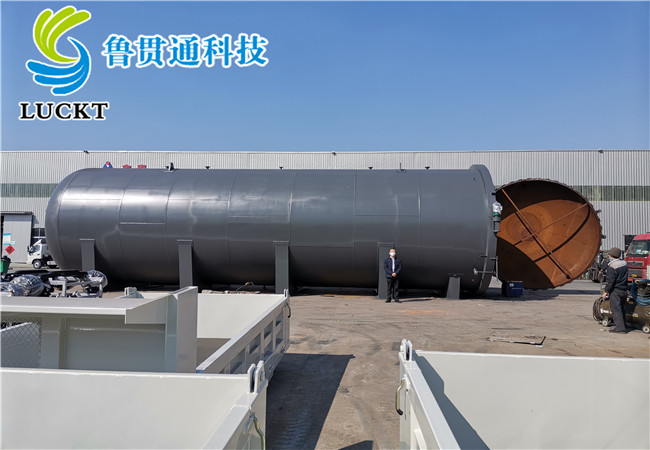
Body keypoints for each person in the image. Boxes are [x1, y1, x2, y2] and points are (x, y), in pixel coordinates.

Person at [603, 247, 629, 333]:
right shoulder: (624, 264)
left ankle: (620, 329)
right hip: (624, 289)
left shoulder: (612, 266)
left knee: (616, 309)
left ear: (611, 255)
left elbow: (610, 281)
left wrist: (606, 291)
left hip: (615, 290)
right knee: (622, 308)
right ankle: (623, 325)